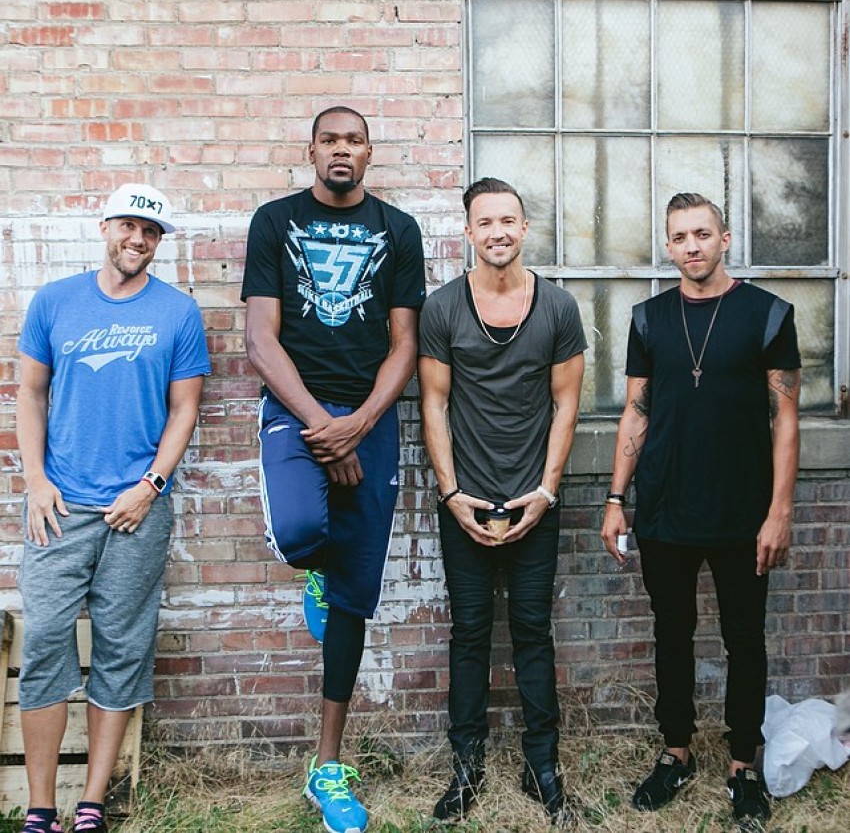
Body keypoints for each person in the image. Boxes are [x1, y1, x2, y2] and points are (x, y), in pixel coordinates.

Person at [241, 106, 425, 833]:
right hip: (298, 410)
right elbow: (259, 339)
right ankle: (311, 565)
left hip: (369, 419)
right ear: (311, 150)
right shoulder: (274, 220)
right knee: (298, 529)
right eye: (330, 140)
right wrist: (323, 426)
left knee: (353, 596)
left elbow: (404, 344)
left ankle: (327, 766)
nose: (341, 151)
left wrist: (361, 424)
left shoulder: (398, 229)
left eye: (354, 141)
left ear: (369, 153)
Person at [600, 192, 801, 831]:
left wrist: (780, 512)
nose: (692, 246)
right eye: (680, 237)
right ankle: (676, 752)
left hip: (744, 511)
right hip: (664, 507)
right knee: (672, 635)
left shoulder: (768, 315)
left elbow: (786, 420)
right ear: (668, 246)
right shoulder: (649, 318)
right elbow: (637, 411)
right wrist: (615, 498)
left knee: (744, 638)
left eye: (703, 234)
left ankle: (744, 762)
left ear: (725, 238)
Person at [15, 183, 210, 833]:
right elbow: (29, 395)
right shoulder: (55, 302)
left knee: (123, 649)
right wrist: (36, 481)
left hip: (137, 510)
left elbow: (186, 408)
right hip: (59, 507)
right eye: (130, 225)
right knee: (44, 642)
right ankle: (41, 807)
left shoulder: (178, 313)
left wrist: (151, 484)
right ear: (106, 227)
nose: (139, 239)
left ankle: (93, 803)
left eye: (151, 231)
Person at [418, 177, 586, 825]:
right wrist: (451, 493)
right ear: (467, 232)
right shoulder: (442, 308)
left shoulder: (558, 308)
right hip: (464, 502)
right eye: (485, 222)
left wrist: (545, 492)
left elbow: (566, 402)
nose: (497, 232)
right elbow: (433, 402)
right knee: (468, 636)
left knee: (533, 635)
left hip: (533, 500)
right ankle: (467, 769)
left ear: (523, 227)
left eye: (508, 221)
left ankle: (542, 766)